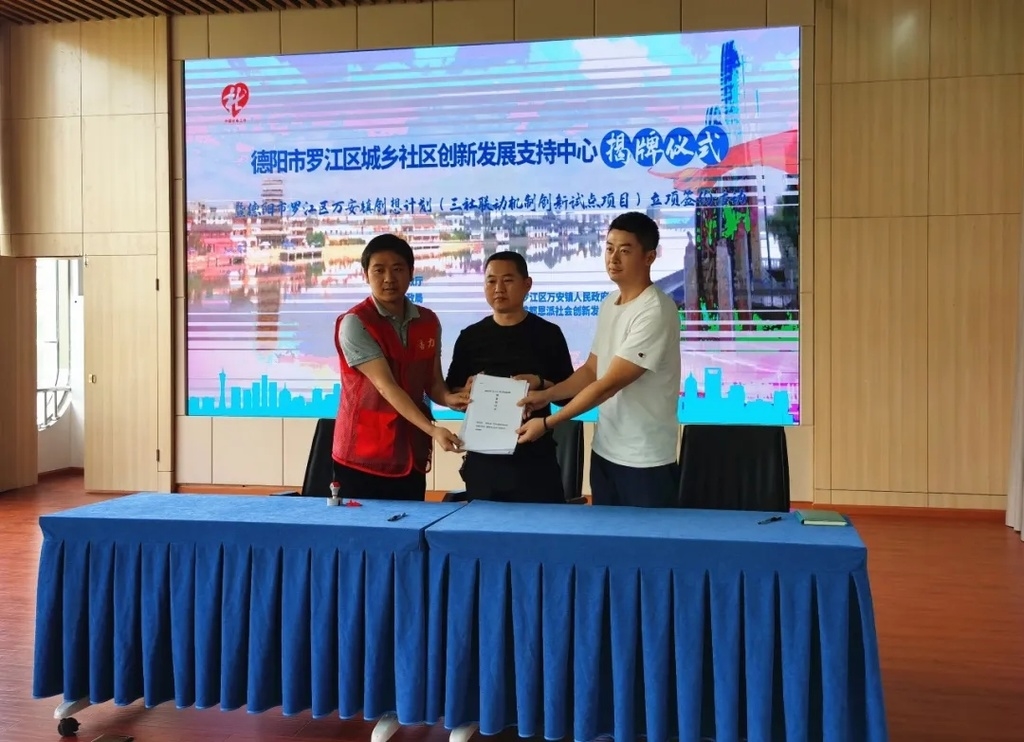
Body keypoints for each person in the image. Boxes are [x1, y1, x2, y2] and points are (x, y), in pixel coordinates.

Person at [517, 212, 682, 508]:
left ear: (649, 257)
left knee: (647, 537)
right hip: (606, 451)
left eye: (625, 250)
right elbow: (593, 369)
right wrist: (546, 395)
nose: (613, 258)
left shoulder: (655, 310)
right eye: (609, 248)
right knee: (606, 535)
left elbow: (608, 385)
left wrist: (549, 422)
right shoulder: (609, 303)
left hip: (645, 459)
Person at [332, 233, 468, 501]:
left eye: (397, 269)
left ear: (411, 272)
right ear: (365, 274)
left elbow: (433, 383)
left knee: (409, 524)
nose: (388, 279)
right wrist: (433, 429)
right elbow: (387, 387)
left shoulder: (428, 321)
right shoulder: (355, 322)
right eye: (379, 270)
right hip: (363, 455)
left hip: (411, 451)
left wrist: (452, 399)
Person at [446, 251, 576, 504]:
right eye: (491, 281)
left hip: (535, 460)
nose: (498, 288)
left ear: (527, 284)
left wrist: (541, 383)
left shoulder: (548, 335)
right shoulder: (470, 337)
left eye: (507, 280)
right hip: (484, 461)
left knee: (542, 527)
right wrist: (465, 392)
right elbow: (452, 393)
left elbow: (568, 396)